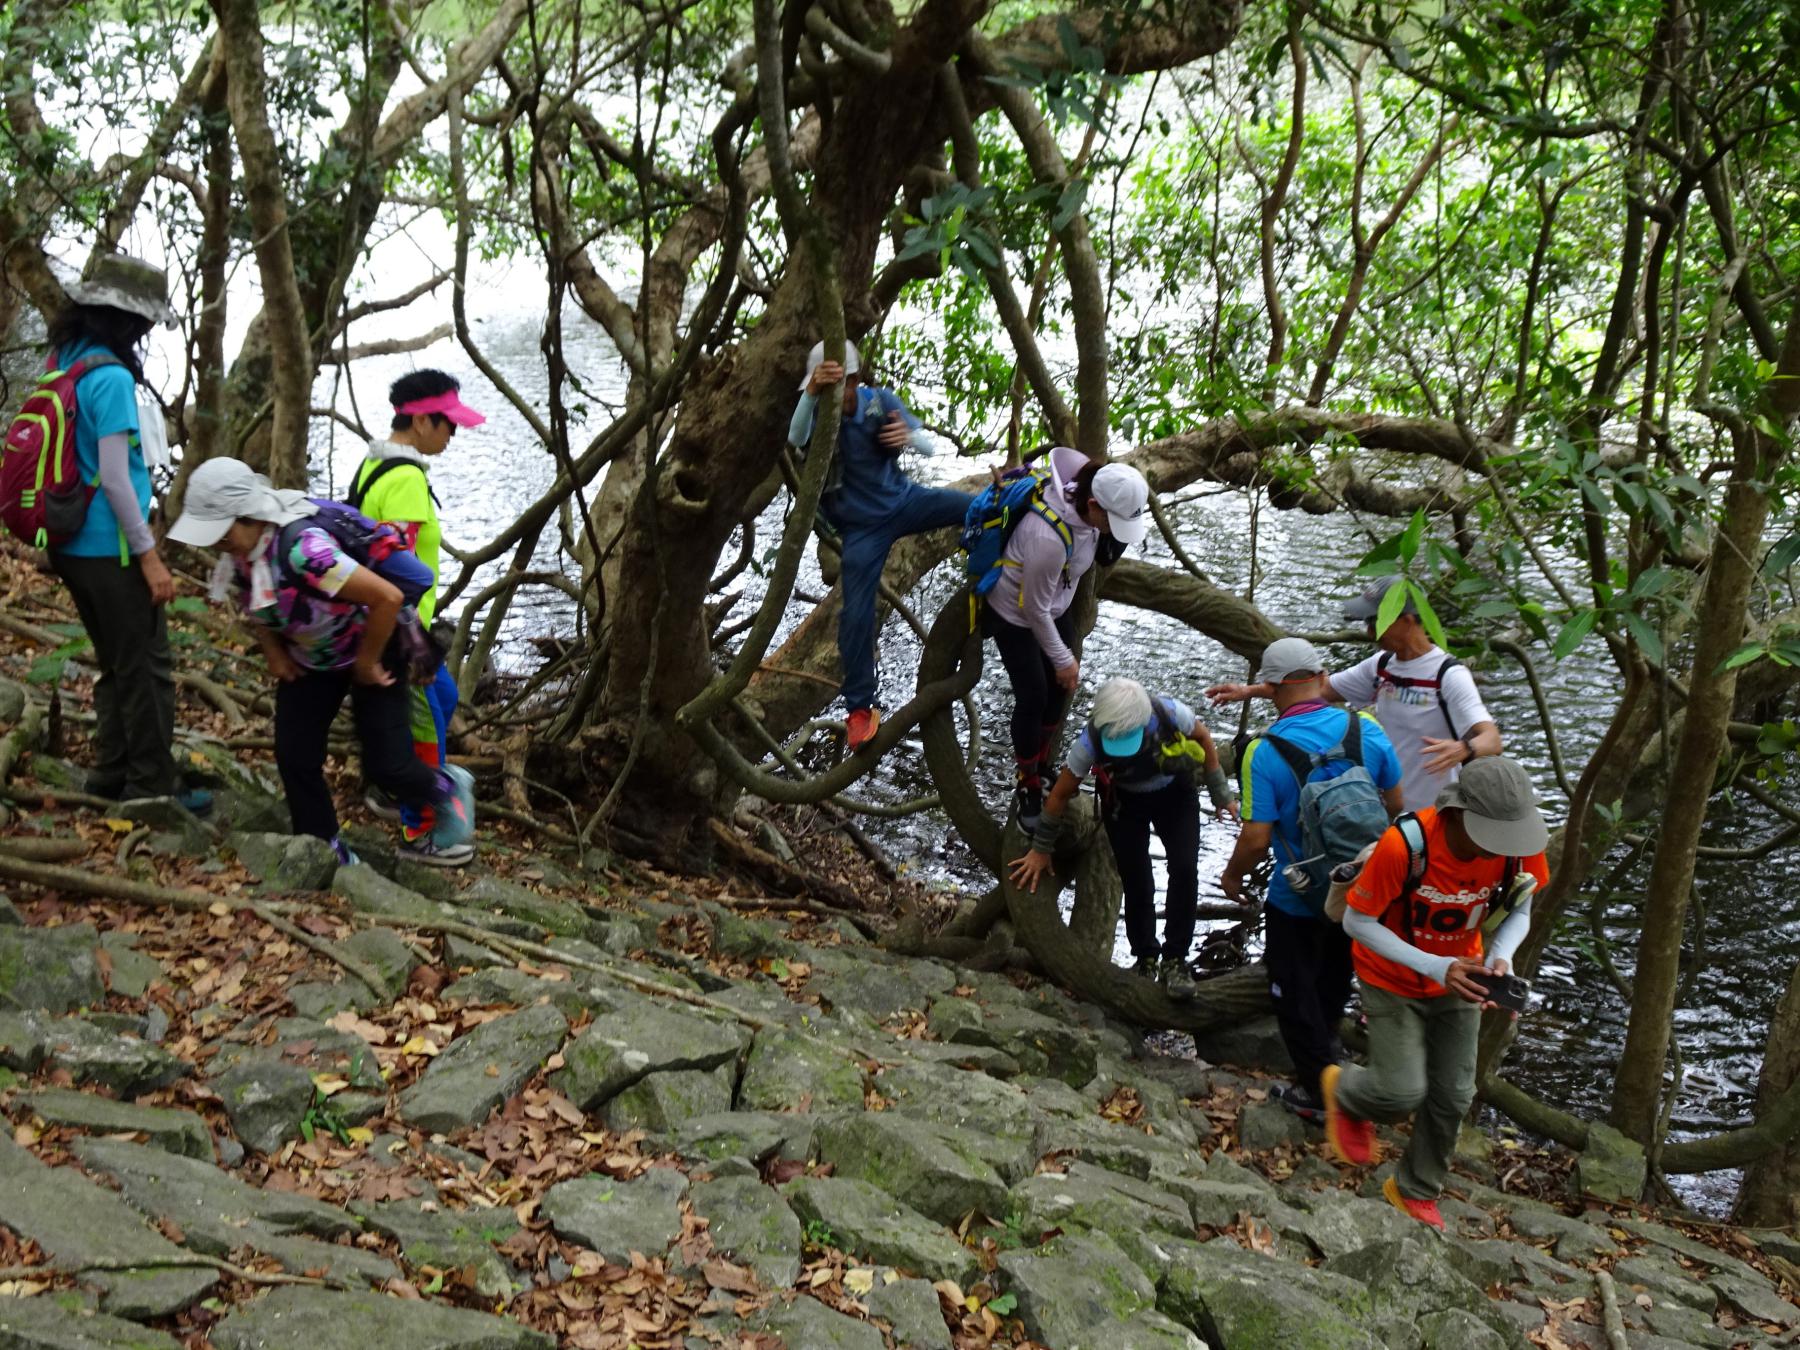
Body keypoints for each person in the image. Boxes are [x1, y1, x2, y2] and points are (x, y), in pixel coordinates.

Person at [167, 457, 471, 865]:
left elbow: (388, 598)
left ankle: (447, 789)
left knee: (387, 765)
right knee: (295, 755)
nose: (218, 545)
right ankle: (323, 849)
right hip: (313, 655)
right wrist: (275, 652)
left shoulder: (305, 552)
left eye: (222, 535)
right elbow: (254, 596)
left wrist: (367, 663)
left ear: (250, 515)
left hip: (374, 644)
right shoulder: (240, 549)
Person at [1321, 756, 1548, 1230]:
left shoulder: (1518, 845)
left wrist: (1499, 957)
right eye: (1489, 835)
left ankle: (1415, 1189)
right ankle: (1345, 1092)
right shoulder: (1406, 845)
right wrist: (1433, 965)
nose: (1498, 848)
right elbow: (1357, 921)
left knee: (1455, 1093)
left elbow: (1521, 909)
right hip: (1392, 976)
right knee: (1400, 1091)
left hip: (1463, 975)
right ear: (1459, 813)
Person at [42, 253, 209, 814]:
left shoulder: (64, 360)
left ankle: (111, 774)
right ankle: (151, 788)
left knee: (117, 661)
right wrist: (149, 557)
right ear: (127, 321)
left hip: (68, 540)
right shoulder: (110, 378)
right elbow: (115, 479)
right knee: (147, 669)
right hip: (107, 546)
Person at [1219, 637, 1403, 1118]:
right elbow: (1397, 805)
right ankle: (1330, 1061)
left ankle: (1321, 1093)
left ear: (1272, 688)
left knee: (1291, 989)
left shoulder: (1262, 752)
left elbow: (1256, 838)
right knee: (1334, 978)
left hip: (1298, 896)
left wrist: (1232, 877)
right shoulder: (1365, 728)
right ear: (1321, 678)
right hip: (1360, 886)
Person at [789, 340, 974, 751]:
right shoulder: (817, 413)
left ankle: (996, 563)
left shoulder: (878, 402)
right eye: (824, 387)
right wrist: (813, 391)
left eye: (841, 386)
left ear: (854, 381)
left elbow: (927, 445)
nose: (837, 395)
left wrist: (905, 435)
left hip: (904, 502)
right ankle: (860, 708)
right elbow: (795, 435)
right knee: (855, 615)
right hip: (861, 529)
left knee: (979, 508)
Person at [1010, 677, 1235, 998]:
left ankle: (1175, 960)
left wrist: (1220, 793)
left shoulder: (1170, 714)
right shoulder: (1090, 740)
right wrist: (1040, 848)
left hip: (1175, 794)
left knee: (1184, 868)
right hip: (1124, 801)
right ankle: (1145, 957)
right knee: (1135, 876)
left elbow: (1204, 737)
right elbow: (1059, 795)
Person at [1207, 575, 1501, 812]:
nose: (1369, 631)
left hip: (1433, 815)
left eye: (1375, 621)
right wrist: (1249, 691)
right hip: (1385, 809)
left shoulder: (1448, 675)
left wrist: (1464, 749)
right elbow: (1319, 689)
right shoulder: (1382, 666)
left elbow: (1491, 739)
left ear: (1408, 620)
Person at [347, 370, 484, 867]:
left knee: (441, 699)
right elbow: (396, 569)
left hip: (392, 623)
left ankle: (391, 787)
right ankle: (421, 830)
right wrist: (412, 646)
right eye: (449, 424)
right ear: (423, 421)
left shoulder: (375, 463)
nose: (454, 434)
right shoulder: (405, 480)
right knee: (425, 727)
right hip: (400, 631)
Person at [982, 448, 1149, 827]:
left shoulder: (1089, 516)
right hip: (1016, 613)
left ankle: (1041, 763)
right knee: (1034, 696)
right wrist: (1061, 658)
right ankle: (1027, 781)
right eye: (1112, 523)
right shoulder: (1047, 537)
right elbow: (1032, 609)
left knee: (1060, 691)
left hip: (1053, 607)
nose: (1113, 532)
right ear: (1093, 505)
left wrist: (1063, 662)